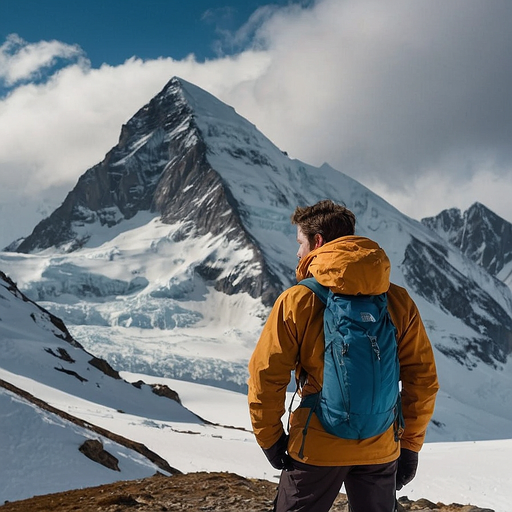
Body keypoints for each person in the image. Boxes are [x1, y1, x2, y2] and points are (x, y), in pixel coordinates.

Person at [248, 199, 439, 512]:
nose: (298, 253)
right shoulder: (397, 300)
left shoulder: (298, 300)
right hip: (380, 444)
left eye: (300, 243)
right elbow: (423, 379)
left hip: (317, 445)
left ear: (318, 242)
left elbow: (266, 376)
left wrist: (270, 440)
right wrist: (410, 445)